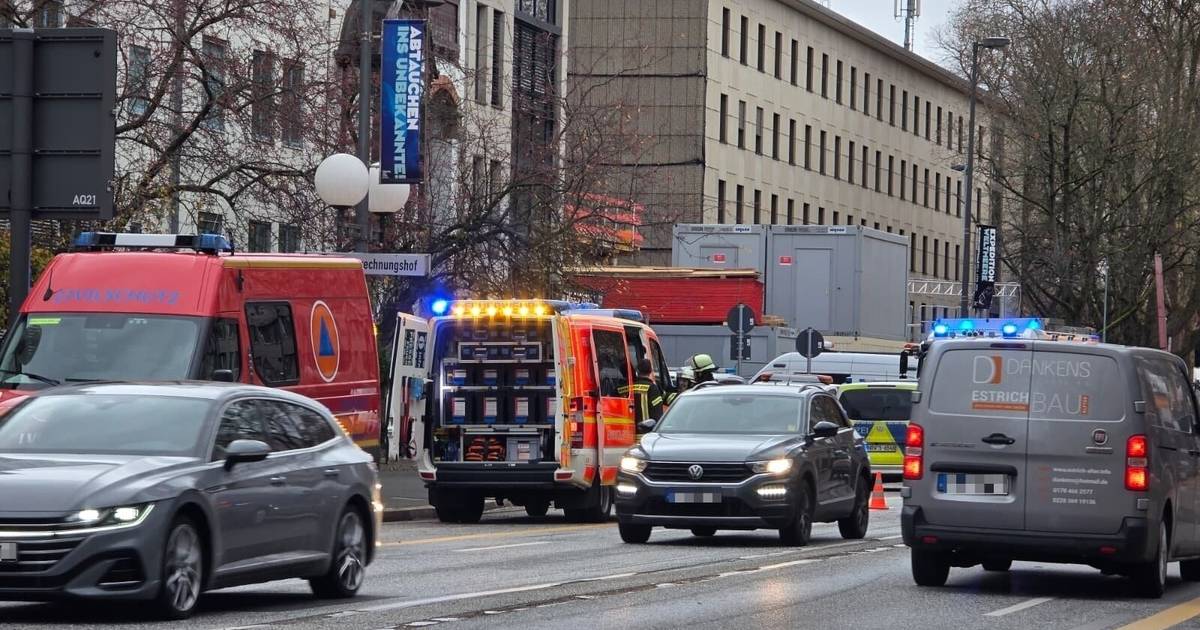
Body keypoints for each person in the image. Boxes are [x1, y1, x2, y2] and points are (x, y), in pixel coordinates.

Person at [621, 358, 664, 433]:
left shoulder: (625, 388)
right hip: (644, 435)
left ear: (638, 370)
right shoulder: (652, 388)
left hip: (626, 436)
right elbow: (658, 413)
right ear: (650, 371)